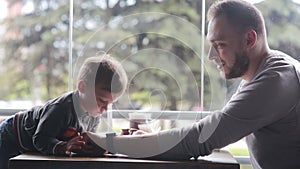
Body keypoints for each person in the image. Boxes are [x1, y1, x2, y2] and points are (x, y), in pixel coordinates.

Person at [85, 0, 300, 169]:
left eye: (220, 45)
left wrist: (104, 142)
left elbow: (201, 138)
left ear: (250, 39)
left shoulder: (276, 80)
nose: (211, 55)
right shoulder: (258, 77)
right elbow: (214, 126)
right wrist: (149, 139)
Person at [0, 54, 128, 169]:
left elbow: (83, 140)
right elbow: (40, 139)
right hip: (12, 135)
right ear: (82, 87)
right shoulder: (61, 108)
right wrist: (64, 147)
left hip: (32, 143)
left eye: (110, 104)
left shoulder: (95, 115)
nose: (105, 109)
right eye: (101, 100)